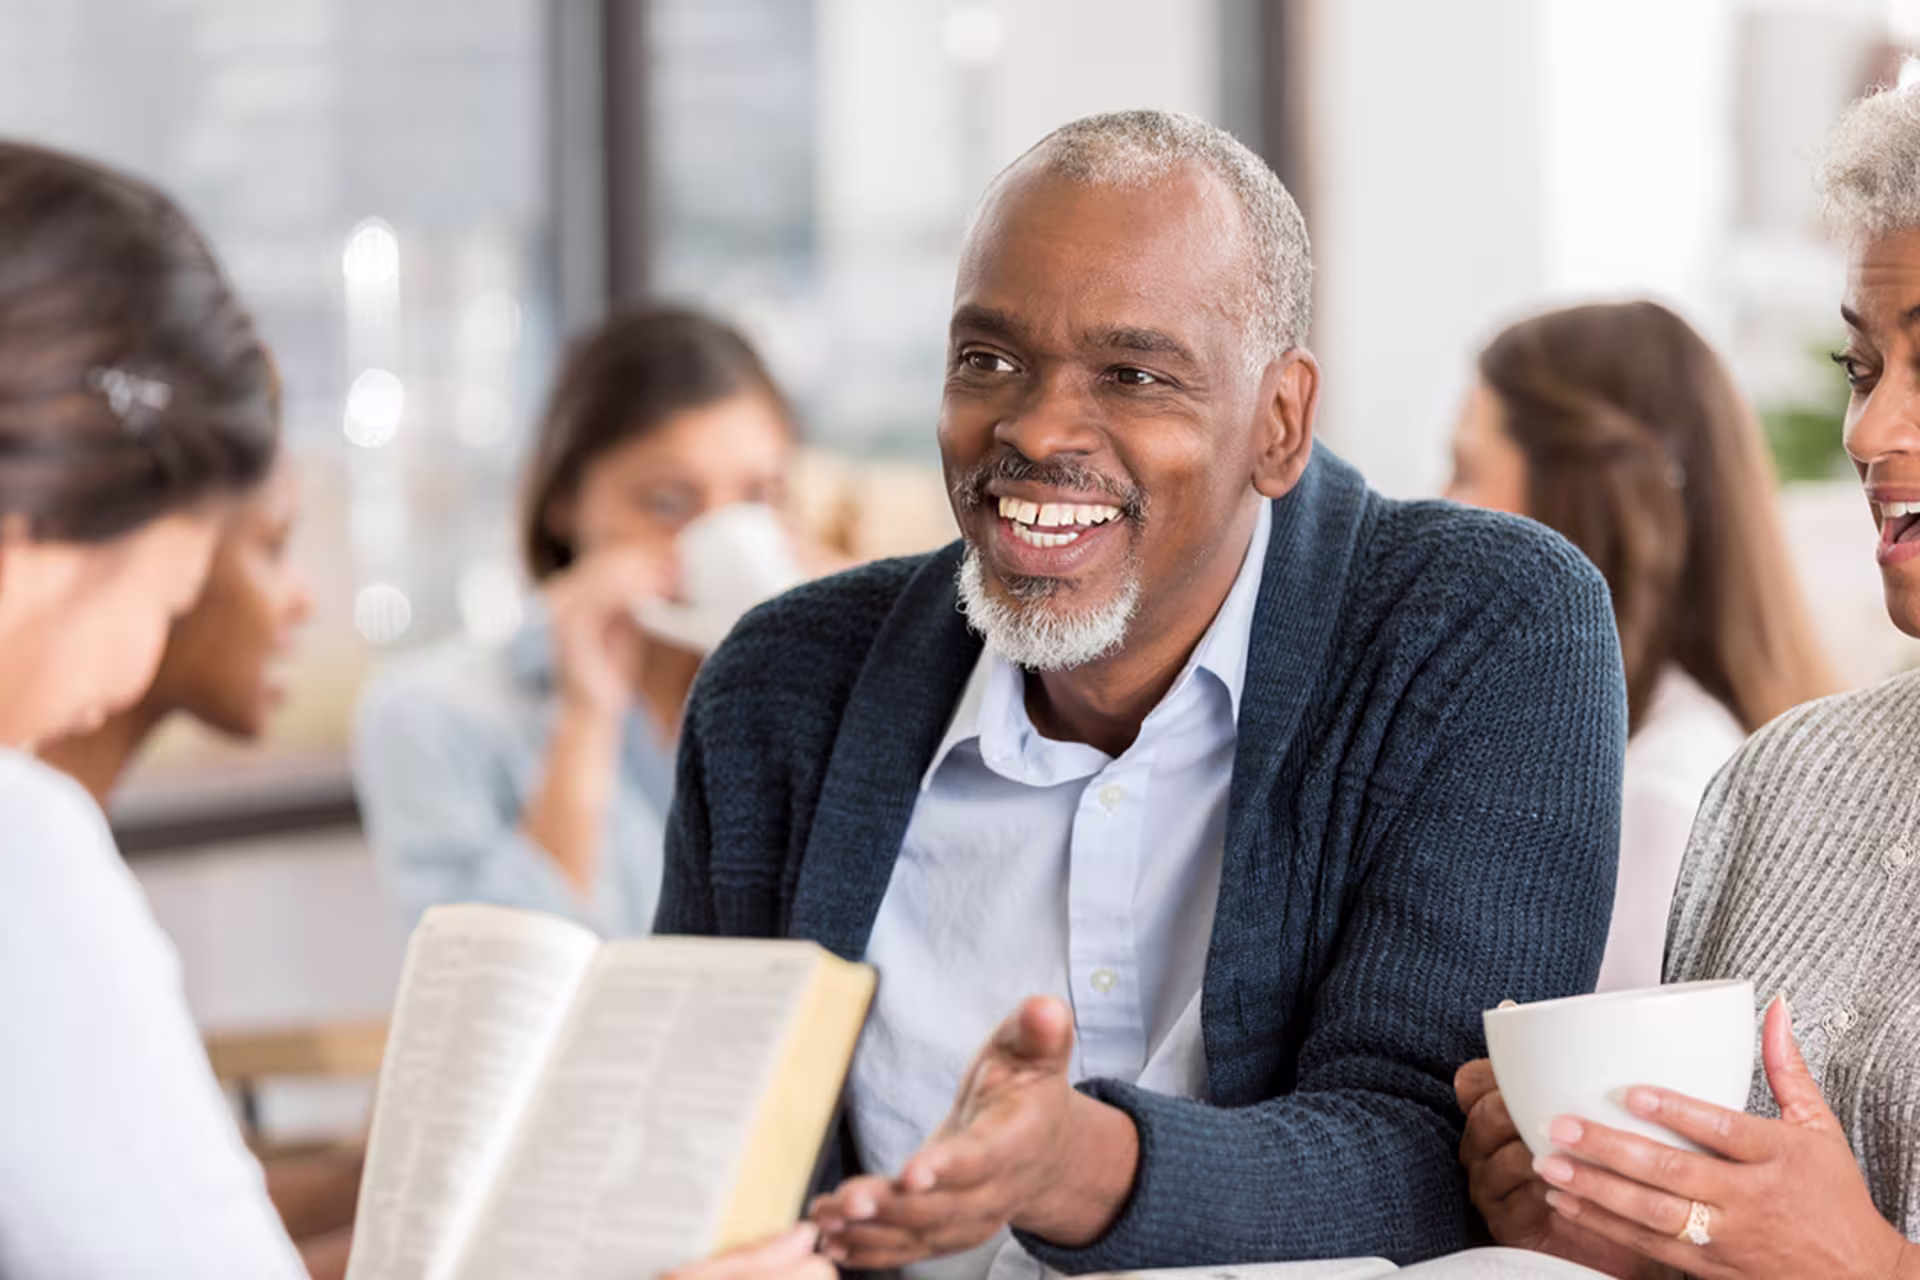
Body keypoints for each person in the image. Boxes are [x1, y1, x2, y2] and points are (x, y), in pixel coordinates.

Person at [657, 109, 1627, 1274]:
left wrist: (1077, 1163)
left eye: (1133, 373)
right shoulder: (778, 688)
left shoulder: (1482, 626)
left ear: (1280, 423)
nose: (1036, 426)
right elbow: (703, 1157)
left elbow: (1431, 1166)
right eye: (988, 359)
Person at [1456, 79, 1920, 1280]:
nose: (1867, 435)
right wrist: (1596, 1221)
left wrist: (1862, 1266)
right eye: (1862, 367)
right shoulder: (1774, 784)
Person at [354, 306, 806, 935]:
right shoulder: (432, 715)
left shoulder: (805, 694)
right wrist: (585, 719)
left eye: (756, 498)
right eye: (669, 502)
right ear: (566, 503)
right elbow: (488, 993)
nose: (718, 536)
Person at [1445, 302, 1834, 991]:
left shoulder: (1659, 796)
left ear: (1580, 496)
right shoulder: (1649, 757)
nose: (1441, 505)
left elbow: (1607, 1095)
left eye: (1467, 471)